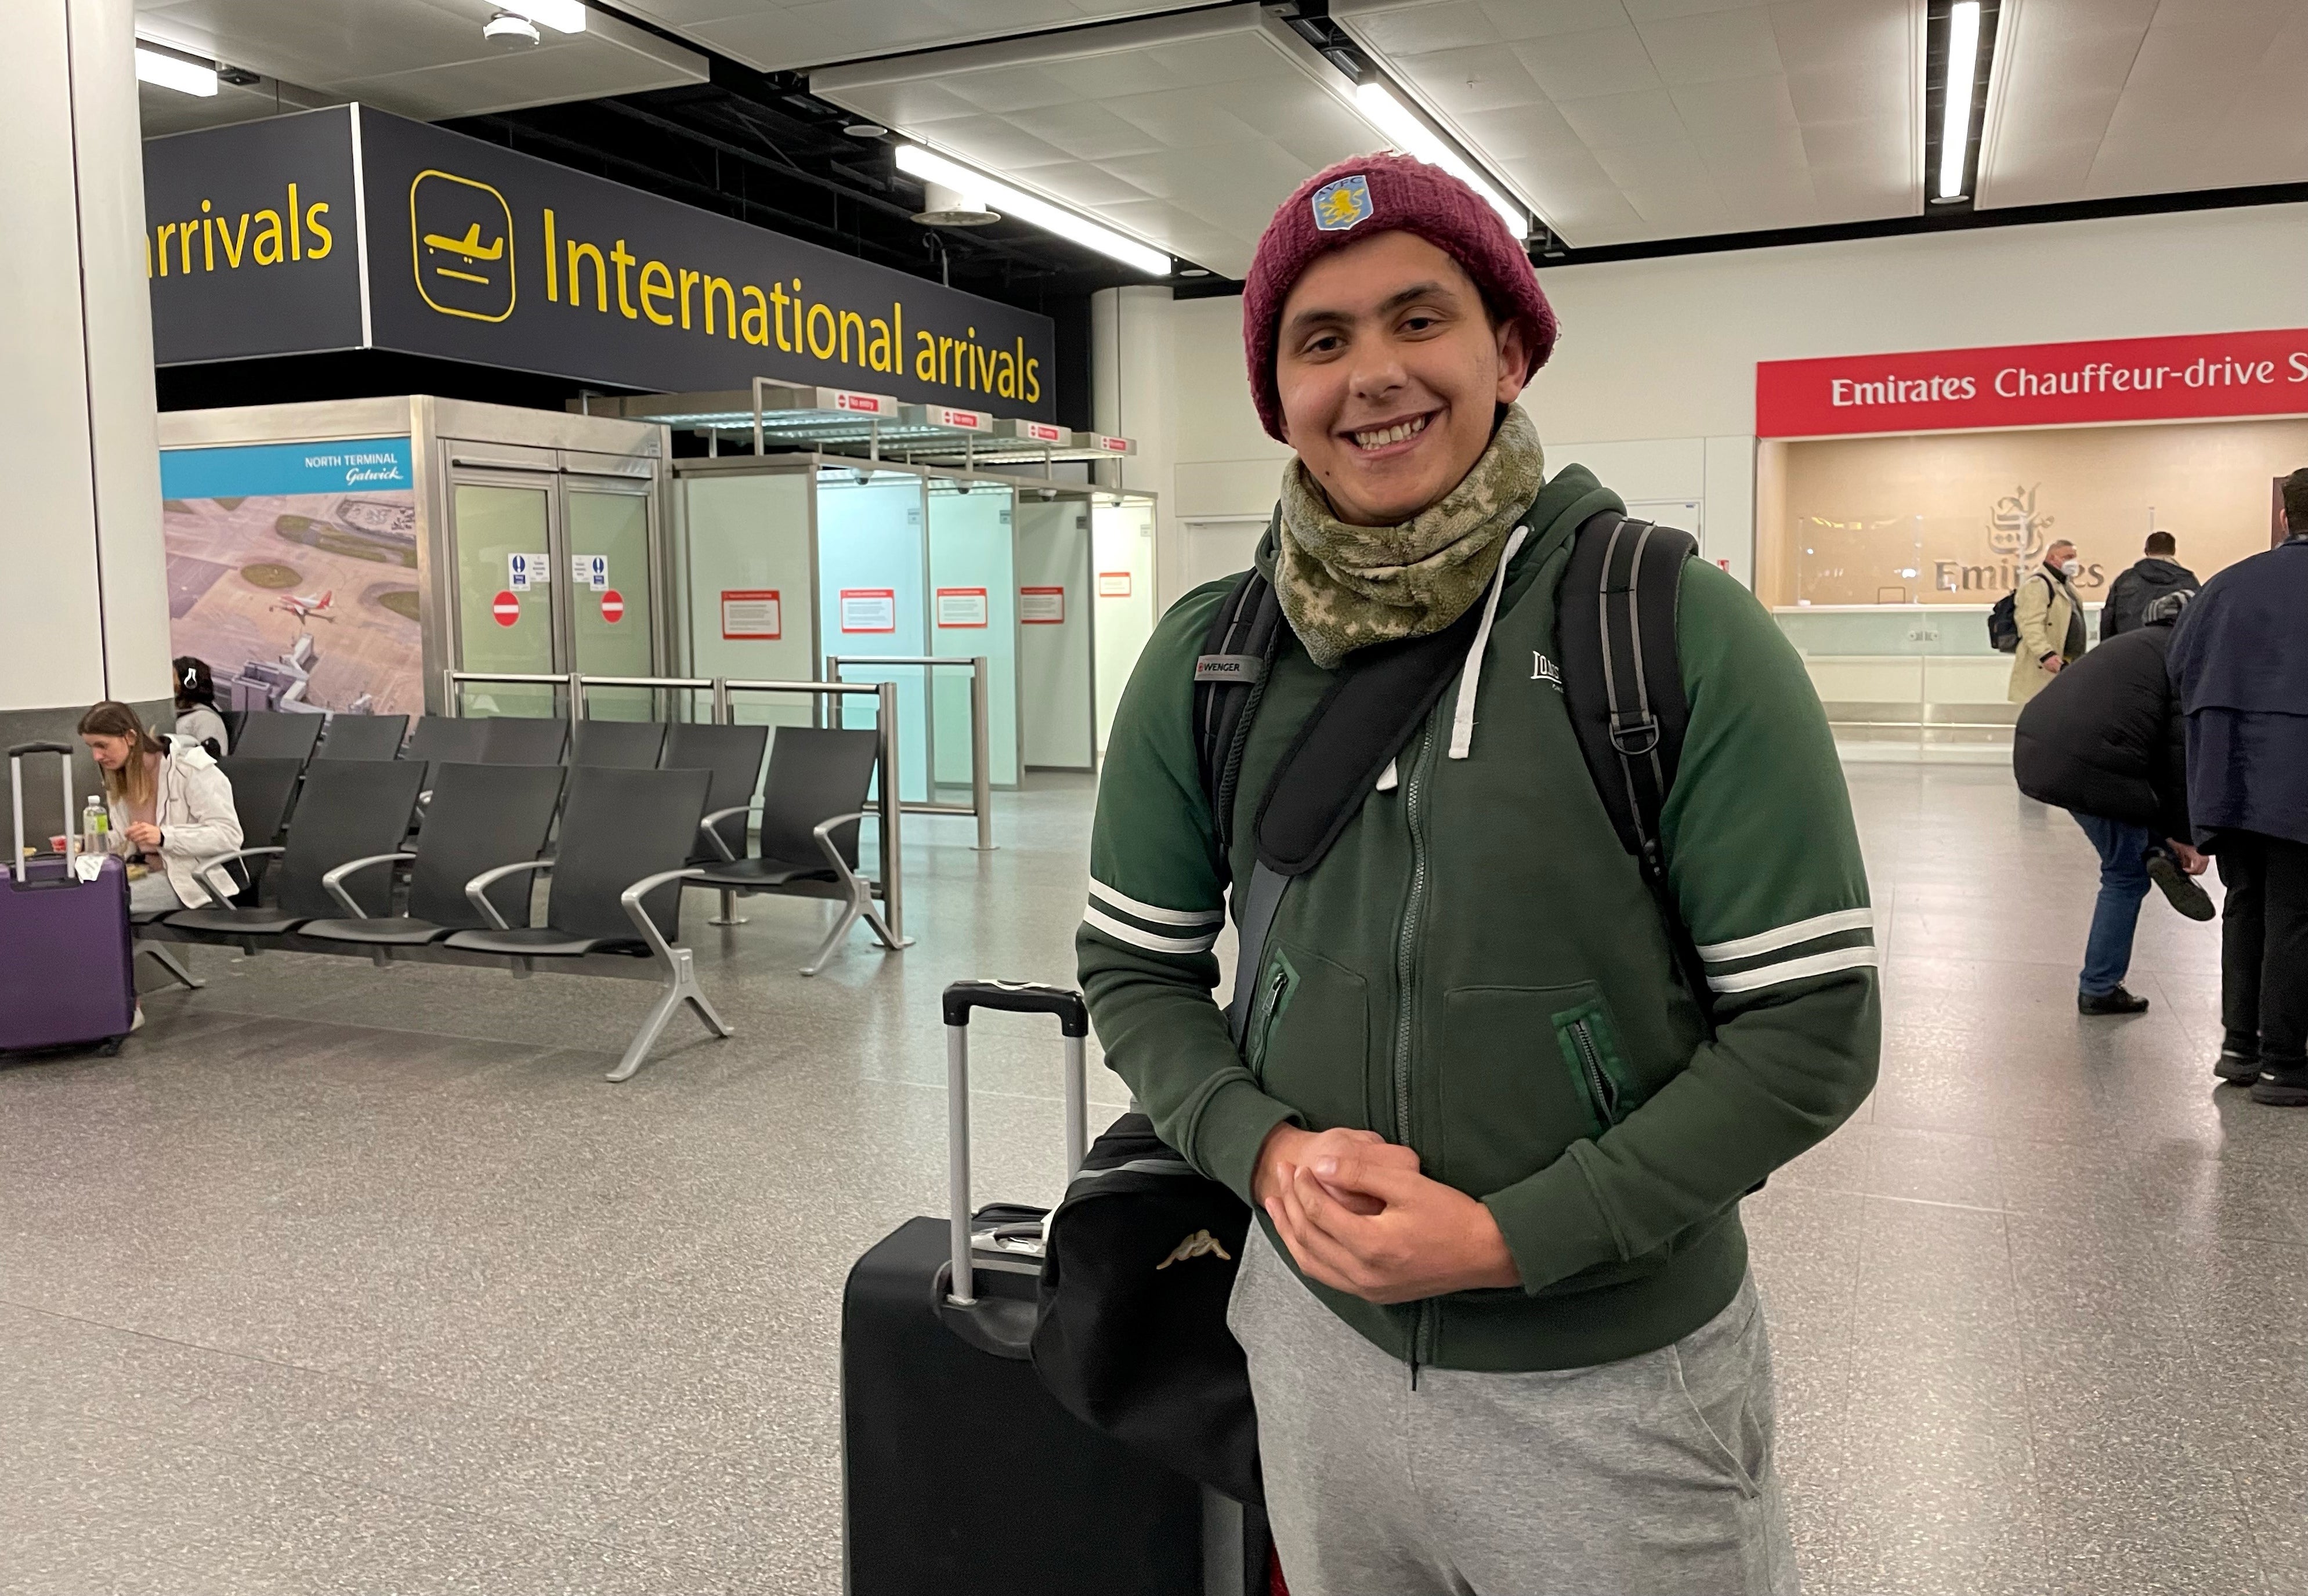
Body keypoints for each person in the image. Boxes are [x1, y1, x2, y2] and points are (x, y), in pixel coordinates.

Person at [1078, 153, 1878, 1595]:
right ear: (1280, 395)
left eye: (1417, 319)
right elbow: (1133, 969)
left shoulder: (1674, 633)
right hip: (1312, 1357)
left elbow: (1812, 1031)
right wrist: (1259, 1146)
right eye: (1320, 341)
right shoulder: (1214, 656)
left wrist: (1517, 1236)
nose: (1372, 373)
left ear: (1507, 347)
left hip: (1617, 1387)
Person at [2166, 468, 2308, 1105]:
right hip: (2298, 779)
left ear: (2286, 518)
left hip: (2228, 775)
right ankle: (2286, 1062)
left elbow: (2179, 668)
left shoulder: (2226, 584)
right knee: (2297, 916)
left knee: (2247, 903)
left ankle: (2240, 1046)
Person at [2014, 589, 2213, 1015]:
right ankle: (2100, 987)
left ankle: (2157, 849)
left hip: (2040, 745)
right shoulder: (2182, 660)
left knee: (2133, 838)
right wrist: (2188, 836)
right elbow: (2176, 758)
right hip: (2091, 763)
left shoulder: (2132, 645)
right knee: (2125, 875)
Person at [77, 700, 242, 917]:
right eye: (92, 748)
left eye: (103, 746)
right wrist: (85, 844)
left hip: (191, 879)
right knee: (81, 895)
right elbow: (122, 839)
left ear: (131, 738)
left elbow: (229, 836)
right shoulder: (118, 779)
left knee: (102, 901)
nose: (96, 756)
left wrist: (165, 837)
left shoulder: (188, 768)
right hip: (144, 872)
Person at [2008, 538, 2086, 704]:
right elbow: (2030, 624)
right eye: (2067, 557)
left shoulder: (2065, 585)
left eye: (2074, 557)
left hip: (2068, 662)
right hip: (2046, 664)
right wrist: (2046, 655)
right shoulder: (2038, 585)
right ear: (2052, 558)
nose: (2073, 561)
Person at [2099, 531, 2197, 642]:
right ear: (2174, 550)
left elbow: (2108, 621)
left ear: (2146, 551)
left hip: (2129, 649)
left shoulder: (2125, 580)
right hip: (2172, 652)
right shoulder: (2188, 582)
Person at [172, 657, 229, 757]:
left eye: (173, 677)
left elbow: (211, 764)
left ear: (190, 684)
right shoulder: (178, 713)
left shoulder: (208, 720)